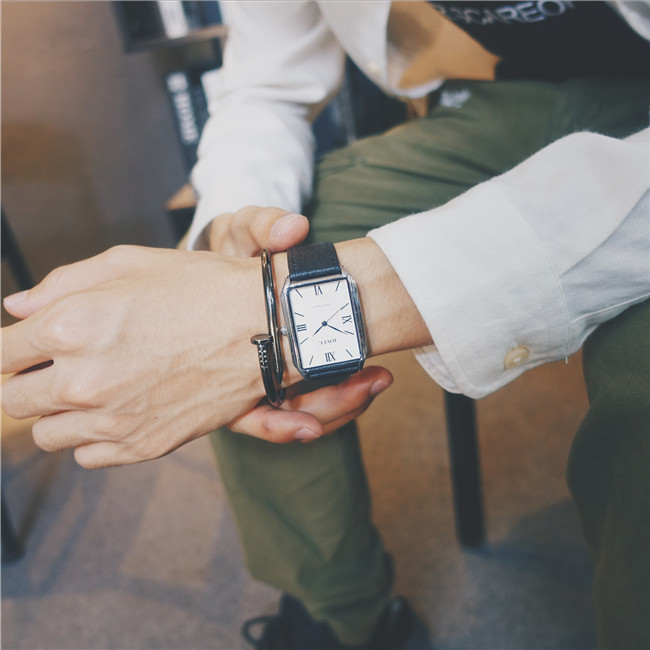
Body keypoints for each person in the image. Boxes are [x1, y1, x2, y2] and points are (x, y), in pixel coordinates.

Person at [2, 1, 649, 648]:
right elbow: (265, 82)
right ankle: (343, 619)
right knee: (216, 298)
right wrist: (233, 229)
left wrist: (297, 315)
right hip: (491, 103)